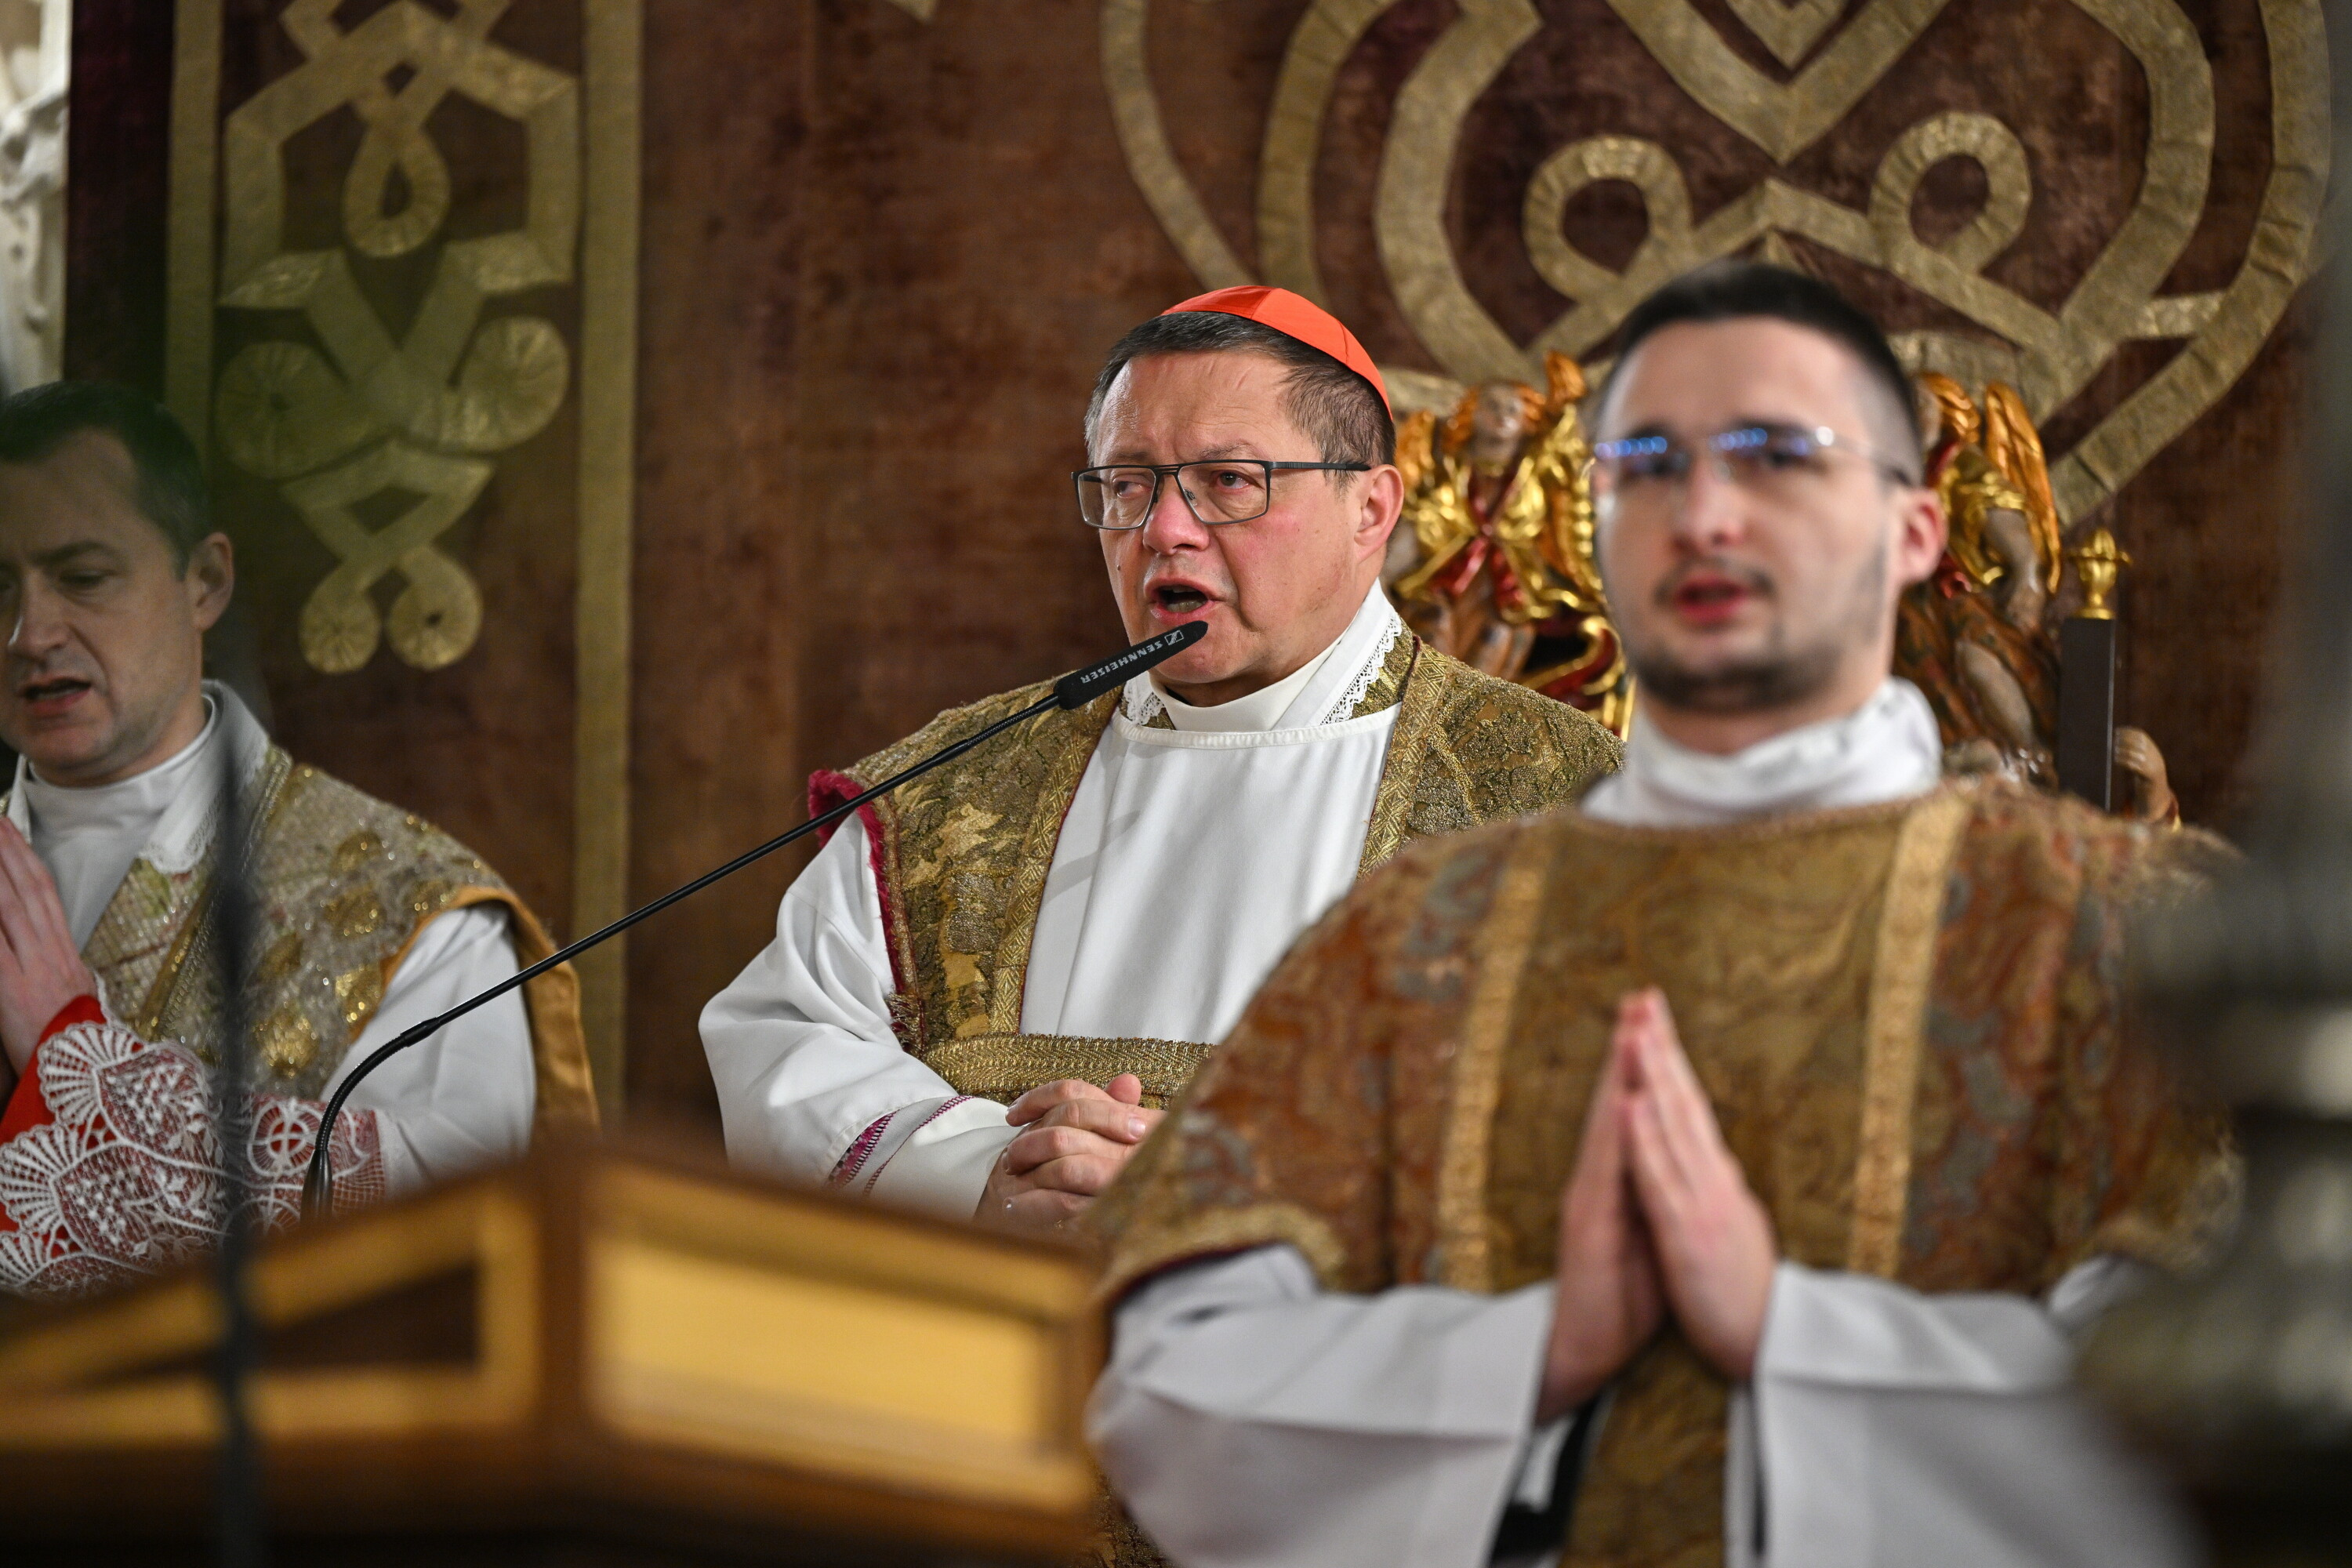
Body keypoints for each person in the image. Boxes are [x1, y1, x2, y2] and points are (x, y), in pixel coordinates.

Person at [1088, 263, 2227, 1568]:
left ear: (1914, 529)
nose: (1705, 515)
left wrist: (1785, 1337)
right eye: (1647, 464)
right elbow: (1164, 1381)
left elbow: (2235, 1405)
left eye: (1776, 458)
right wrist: (1537, 1351)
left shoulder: (2124, 932)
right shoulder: (1416, 934)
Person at [703, 285, 1620, 1232]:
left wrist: (1227, 1195)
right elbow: (784, 1034)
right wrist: (988, 1172)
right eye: (1129, 483)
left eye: (1229, 480)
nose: (1164, 530)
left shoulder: (1557, 795)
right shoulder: (952, 794)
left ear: (1370, 507)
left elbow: (1629, 1130)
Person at [0, 382, 593, 1298]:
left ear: (205, 582)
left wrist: (71, 1055)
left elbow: (450, 1242)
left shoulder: (418, 912)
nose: (30, 633)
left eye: (83, 577)